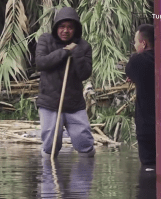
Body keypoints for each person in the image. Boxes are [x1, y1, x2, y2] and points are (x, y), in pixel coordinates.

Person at [35, 7, 95, 158]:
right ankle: (49, 178)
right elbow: (41, 63)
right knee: (50, 144)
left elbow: (84, 74)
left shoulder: (84, 46)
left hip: (74, 104)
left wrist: (77, 53)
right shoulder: (45, 40)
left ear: (76, 29)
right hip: (49, 102)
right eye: (62, 26)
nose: (65, 31)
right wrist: (64, 52)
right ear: (56, 27)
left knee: (84, 142)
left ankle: (84, 178)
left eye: (70, 27)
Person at [125, 24, 156, 166]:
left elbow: (131, 71)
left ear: (144, 43)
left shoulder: (137, 61)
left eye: (136, 42)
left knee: (148, 168)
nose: (135, 46)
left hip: (147, 127)